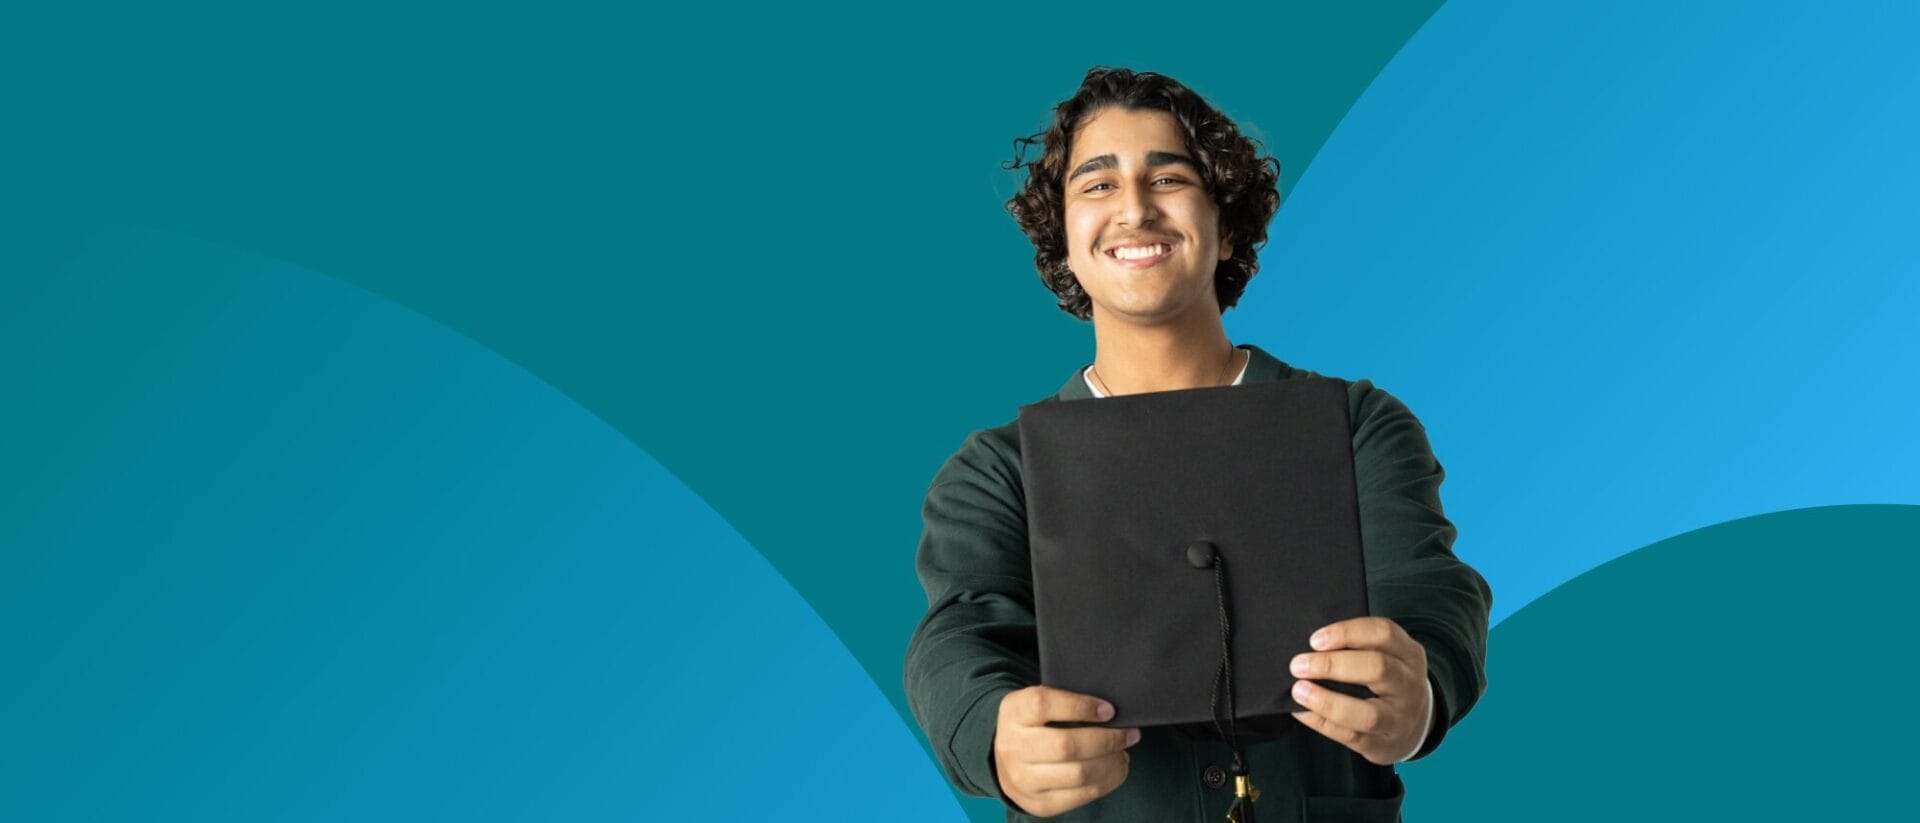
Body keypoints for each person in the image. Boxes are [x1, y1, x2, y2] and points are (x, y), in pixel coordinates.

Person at [903, 67, 1492, 822]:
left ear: (1227, 222)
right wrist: (989, 731)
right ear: (1064, 240)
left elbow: (1428, 591)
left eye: (1169, 177)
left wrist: (1424, 687)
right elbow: (957, 633)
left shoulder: (1356, 425)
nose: (1136, 208)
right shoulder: (997, 472)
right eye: (1098, 185)